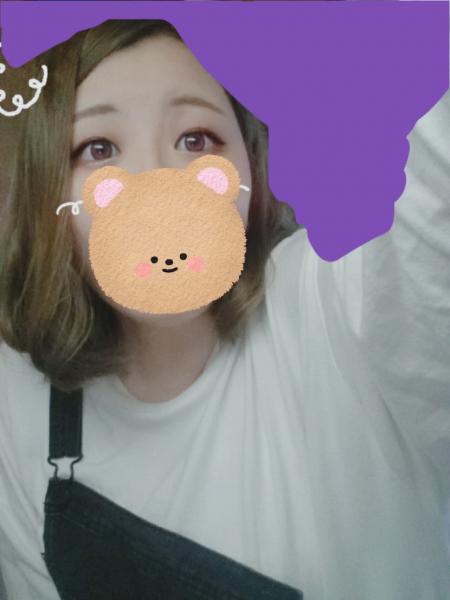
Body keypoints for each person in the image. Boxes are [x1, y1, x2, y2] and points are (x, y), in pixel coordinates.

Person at [0, 18, 449, 600]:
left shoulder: (332, 306)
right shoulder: (15, 397)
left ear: (251, 176)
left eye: (196, 140)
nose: (160, 188)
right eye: (99, 149)